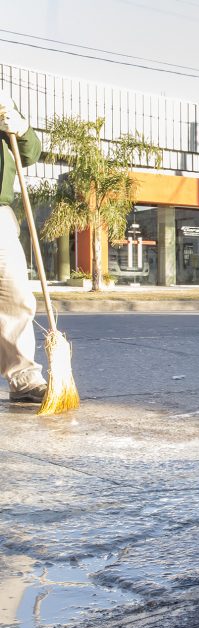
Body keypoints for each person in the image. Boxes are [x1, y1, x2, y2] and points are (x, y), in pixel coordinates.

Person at [0, 90, 46, 403]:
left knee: (16, 294)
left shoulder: (2, 104)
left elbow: (29, 154)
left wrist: (21, 128)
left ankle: (24, 378)